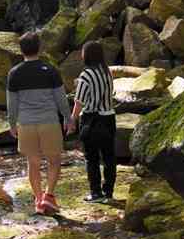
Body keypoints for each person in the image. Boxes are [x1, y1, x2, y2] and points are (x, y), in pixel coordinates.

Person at [7, 31, 72, 215]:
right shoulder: (50, 70)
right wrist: (68, 118)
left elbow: (12, 104)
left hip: (26, 124)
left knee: (33, 163)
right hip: (49, 122)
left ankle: (38, 199)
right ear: (39, 48)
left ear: (21, 50)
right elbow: (60, 98)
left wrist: (12, 124)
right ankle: (49, 196)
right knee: (54, 160)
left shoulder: (14, 73)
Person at [68, 40, 117, 202]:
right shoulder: (107, 72)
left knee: (92, 158)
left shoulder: (86, 75)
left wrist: (72, 120)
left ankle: (95, 193)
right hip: (109, 117)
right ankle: (108, 192)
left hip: (92, 119)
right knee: (109, 157)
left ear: (86, 55)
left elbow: (79, 101)